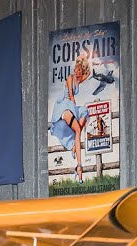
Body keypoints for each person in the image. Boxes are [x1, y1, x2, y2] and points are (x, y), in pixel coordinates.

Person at [49, 51, 93, 182]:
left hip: (71, 106)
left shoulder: (79, 79)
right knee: (78, 130)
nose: (77, 71)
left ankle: (75, 151)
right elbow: (71, 96)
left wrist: (84, 59)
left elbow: (89, 73)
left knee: (84, 112)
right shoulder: (70, 77)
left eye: (79, 70)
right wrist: (81, 61)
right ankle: (79, 166)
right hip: (64, 105)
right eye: (76, 69)